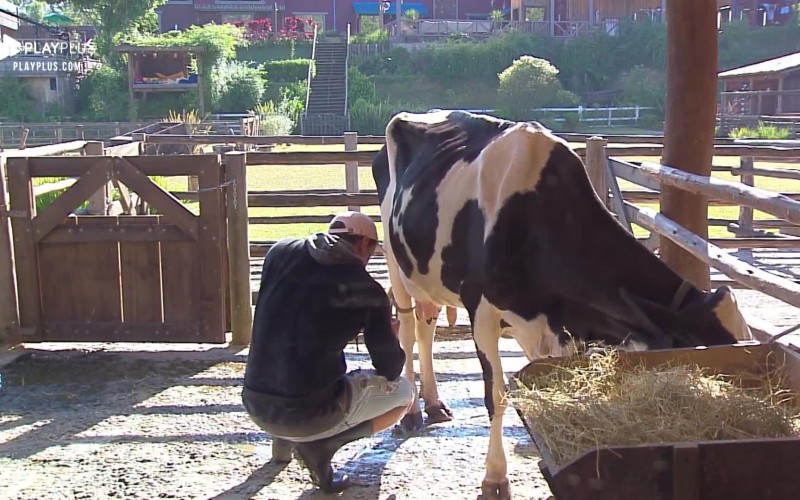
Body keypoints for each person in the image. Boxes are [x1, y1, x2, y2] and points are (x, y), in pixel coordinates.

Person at [242, 210, 414, 493]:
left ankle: (282, 447)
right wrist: (390, 336)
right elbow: (390, 368)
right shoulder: (367, 290)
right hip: (311, 413)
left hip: (255, 402)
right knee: (404, 394)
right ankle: (322, 445)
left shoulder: (280, 252)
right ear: (362, 245)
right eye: (372, 250)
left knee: (286, 351)